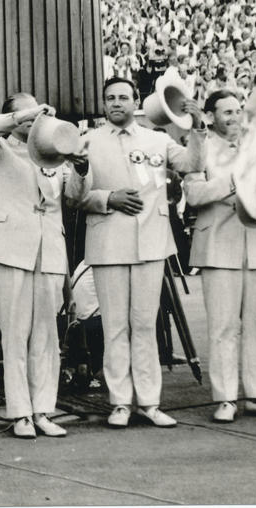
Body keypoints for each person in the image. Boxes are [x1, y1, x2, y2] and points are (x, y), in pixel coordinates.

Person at [67, 77, 205, 429]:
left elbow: (191, 164)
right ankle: (119, 403)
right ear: (103, 103)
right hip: (108, 242)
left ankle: (149, 402)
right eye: (110, 98)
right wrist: (106, 197)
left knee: (144, 324)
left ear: (135, 101)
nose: (117, 103)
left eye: (123, 97)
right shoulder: (88, 141)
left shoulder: (157, 138)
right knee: (115, 326)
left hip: (150, 242)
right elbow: (73, 196)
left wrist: (198, 127)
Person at [0, 94, 88, 438]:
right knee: (16, 334)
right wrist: (28, 114)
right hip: (9, 249)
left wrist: (81, 169)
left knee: (47, 336)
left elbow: (74, 198)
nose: (33, 120)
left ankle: (43, 410)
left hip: (47, 250)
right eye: (24, 114)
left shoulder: (51, 153)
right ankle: (20, 412)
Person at [182, 89, 256, 422]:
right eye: (226, 112)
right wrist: (235, 182)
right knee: (223, 326)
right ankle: (226, 398)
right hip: (218, 247)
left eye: (237, 111)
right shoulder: (202, 148)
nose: (234, 118)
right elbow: (193, 194)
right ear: (211, 116)